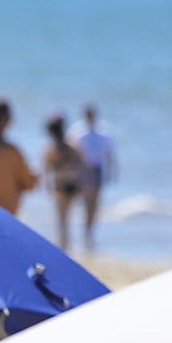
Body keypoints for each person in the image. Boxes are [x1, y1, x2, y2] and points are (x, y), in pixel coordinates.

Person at [70, 104, 116, 250]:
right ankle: (85, 234)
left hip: (97, 168)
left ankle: (89, 234)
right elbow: (71, 151)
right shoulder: (78, 130)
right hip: (84, 170)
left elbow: (108, 153)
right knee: (86, 202)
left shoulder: (102, 130)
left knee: (94, 204)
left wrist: (111, 171)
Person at [42, 113, 86, 252]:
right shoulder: (71, 146)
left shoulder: (50, 150)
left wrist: (48, 187)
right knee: (67, 217)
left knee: (62, 219)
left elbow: (47, 171)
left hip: (61, 185)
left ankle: (64, 246)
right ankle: (67, 246)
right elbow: (81, 165)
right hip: (72, 183)